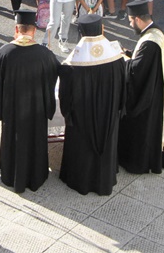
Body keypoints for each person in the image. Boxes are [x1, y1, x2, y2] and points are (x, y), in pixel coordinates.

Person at [0, 10, 59, 192]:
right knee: (35, 140)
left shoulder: (4, 53)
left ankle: (10, 174)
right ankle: (35, 175)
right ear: (34, 30)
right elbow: (56, 77)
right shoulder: (44, 54)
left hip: (13, 110)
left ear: (16, 29)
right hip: (36, 110)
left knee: (13, 140)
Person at [58, 14, 125, 195]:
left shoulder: (72, 64)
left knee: (82, 148)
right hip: (109, 114)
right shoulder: (116, 58)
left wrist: (68, 115)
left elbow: (65, 97)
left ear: (80, 32)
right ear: (101, 29)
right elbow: (122, 91)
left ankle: (81, 180)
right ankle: (105, 178)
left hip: (82, 118)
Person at [119, 0, 164, 174]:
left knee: (141, 129)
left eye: (130, 20)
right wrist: (128, 53)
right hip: (154, 91)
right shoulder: (155, 33)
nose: (130, 24)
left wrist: (122, 60)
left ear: (138, 19)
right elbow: (143, 61)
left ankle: (138, 163)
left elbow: (136, 70)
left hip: (146, 98)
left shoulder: (149, 42)